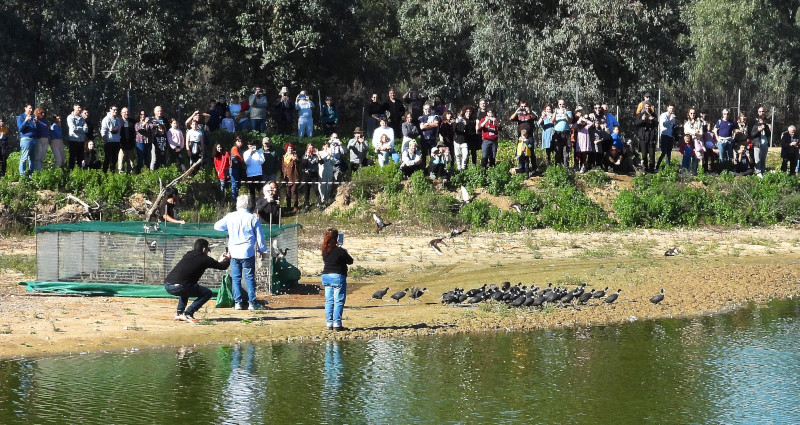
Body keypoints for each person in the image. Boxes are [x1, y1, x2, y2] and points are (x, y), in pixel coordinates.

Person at [214, 194, 268, 311]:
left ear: (237, 205)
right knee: (249, 277)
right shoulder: (253, 218)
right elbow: (260, 237)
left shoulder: (231, 216)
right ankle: (252, 303)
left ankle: (237, 303)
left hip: (234, 252)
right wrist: (262, 250)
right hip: (248, 252)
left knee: (236, 278)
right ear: (249, 205)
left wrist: (228, 228)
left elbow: (217, 226)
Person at [164, 238, 231, 323]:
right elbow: (222, 267)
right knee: (207, 293)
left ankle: (180, 313)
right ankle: (188, 313)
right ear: (204, 249)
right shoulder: (205, 259)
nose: (207, 252)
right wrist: (228, 259)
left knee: (186, 287)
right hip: (180, 286)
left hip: (168, 285)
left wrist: (219, 261)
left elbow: (213, 263)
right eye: (207, 250)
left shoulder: (188, 254)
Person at [320, 227, 353, 331]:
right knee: (338, 301)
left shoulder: (324, 250)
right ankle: (337, 324)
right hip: (338, 276)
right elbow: (350, 261)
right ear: (337, 238)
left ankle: (329, 324)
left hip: (326, 276)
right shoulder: (339, 250)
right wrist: (342, 249)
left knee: (329, 301)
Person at [635, 101, 658, 173]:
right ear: (644, 107)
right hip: (643, 137)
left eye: (649, 106)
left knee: (652, 154)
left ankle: (651, 169)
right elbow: (636, 124)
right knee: (644, 154)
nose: (647, 108)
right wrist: (642, 120)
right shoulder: (641, 114)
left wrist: (653, 120)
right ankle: (645, 168)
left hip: (651, 137)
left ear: (650, 107)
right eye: (646, 107)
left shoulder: (653, 114)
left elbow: (657, 123)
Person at [16, 104, 38, 177]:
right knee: (24, 158)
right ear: (25, 108)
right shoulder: (21, 117)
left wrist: (36, 123)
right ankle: (23, 176)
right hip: (26, 139)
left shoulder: (33, 117)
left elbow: (37, 129)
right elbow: (20, 129)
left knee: (32, 159)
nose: (31, 110)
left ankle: (31, 176)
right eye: (29, 108)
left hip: (34, 139)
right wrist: (25, 121)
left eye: (32, 108)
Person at [750, 107, 771, 177]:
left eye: (763, 120)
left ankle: (763, 171)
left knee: (763, 159)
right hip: (757, 144)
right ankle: (758, 172)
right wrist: (758, 130)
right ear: (758, 120)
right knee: (757, 159)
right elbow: (752, 135)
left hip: (765, 144)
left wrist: (767, 129)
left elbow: (768, 135)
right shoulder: (755, 125)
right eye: (761, 120)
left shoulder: (766, 125)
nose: (762, 121)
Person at [100, 105, 121, 173]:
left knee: (114, 159)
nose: (115, 111)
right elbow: (103, 130)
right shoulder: (106, 119)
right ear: (110, 110)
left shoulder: (117, 119)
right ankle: (104, 172)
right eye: (114, 110)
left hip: (116, 141)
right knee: (107, 158)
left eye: (116, 110)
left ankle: (112, 173)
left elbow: (119, 130)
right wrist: (105, 140)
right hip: (109, 141)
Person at [552, 99, 573, 168]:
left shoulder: (568, 112)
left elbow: (570, 121)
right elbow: (552, 121)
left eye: (563, 104)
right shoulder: (555, 112)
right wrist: (555, 113)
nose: (562, 106)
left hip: (566, 133)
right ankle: (558, 167)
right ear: (558, 105)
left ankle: (566, 167)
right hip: (557, 133)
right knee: (558, 150)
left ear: (565, 104)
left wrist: (565, 114)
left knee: (566, 150)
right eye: (560, 104)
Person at [67, 103, 87, 170]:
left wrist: (78, 128)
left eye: (80, 107)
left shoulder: (82, 118)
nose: (79, 109)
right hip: (73, 140)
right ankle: (71, 171)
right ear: (74, 107)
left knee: (81, 158)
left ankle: (80, 172)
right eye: (78, 107)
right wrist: (81, 129)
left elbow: (86, 129)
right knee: (72, 157)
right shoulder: (70, 117)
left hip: (81, 141)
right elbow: (73, 128)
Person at [301, 143, 321, 211]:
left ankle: (319, 203)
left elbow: (321, 162)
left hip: (314, 175)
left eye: (312, 148)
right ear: (307, 149)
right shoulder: (304, 156)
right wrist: (307, 157)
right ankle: (307, 204)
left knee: (316, 189)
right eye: (309, 148)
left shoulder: (315, 156)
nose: (310, 149)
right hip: (306, 175)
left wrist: (318, 154)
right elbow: (304, 165)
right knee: (307, 191)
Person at [656, 104, 676, 170]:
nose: (671, 110)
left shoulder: (673, 117)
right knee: (664, 152)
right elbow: (664, 125)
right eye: (670, 108)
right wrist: (670, 120)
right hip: (664, 135)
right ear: (667, 108)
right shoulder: (664, 115)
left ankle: (667, 168)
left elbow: (672, 126)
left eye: (672, 108)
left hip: (670, 136)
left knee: (669, 153)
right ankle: (657, 167)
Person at [118, 108, 137, 174]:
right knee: (121, 163)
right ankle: (121, 178)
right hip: (122, 146)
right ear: (121, 113)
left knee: (131, 163)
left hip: (131, 146)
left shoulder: (132, 121)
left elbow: (135, 132)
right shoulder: (118, 121)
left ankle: (131, 176)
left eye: (127, 112)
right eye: (124, 112)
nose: (126, 113)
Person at [282, 143, 300, 213]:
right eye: (289, 148)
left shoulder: (294, 156)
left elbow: (298, 163)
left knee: (293, 191)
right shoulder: (284, 157)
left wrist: (295, 160)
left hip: (294, 177)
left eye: (291, 148)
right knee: (288, 192)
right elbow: (283, 167)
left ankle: (296, 207)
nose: (290, 150)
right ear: (286, 149)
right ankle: (288, 207)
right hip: (287, 178)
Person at [33, 107, 49, 172]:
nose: (42, 114)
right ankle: (37, 171)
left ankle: (41, 170)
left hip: (45, 139)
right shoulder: (37, 121)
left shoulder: (45, 121)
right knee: (38, 156)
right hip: (39, 139)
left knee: (43, 156)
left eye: (44, 113)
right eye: (41, 113)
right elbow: (35, 129)